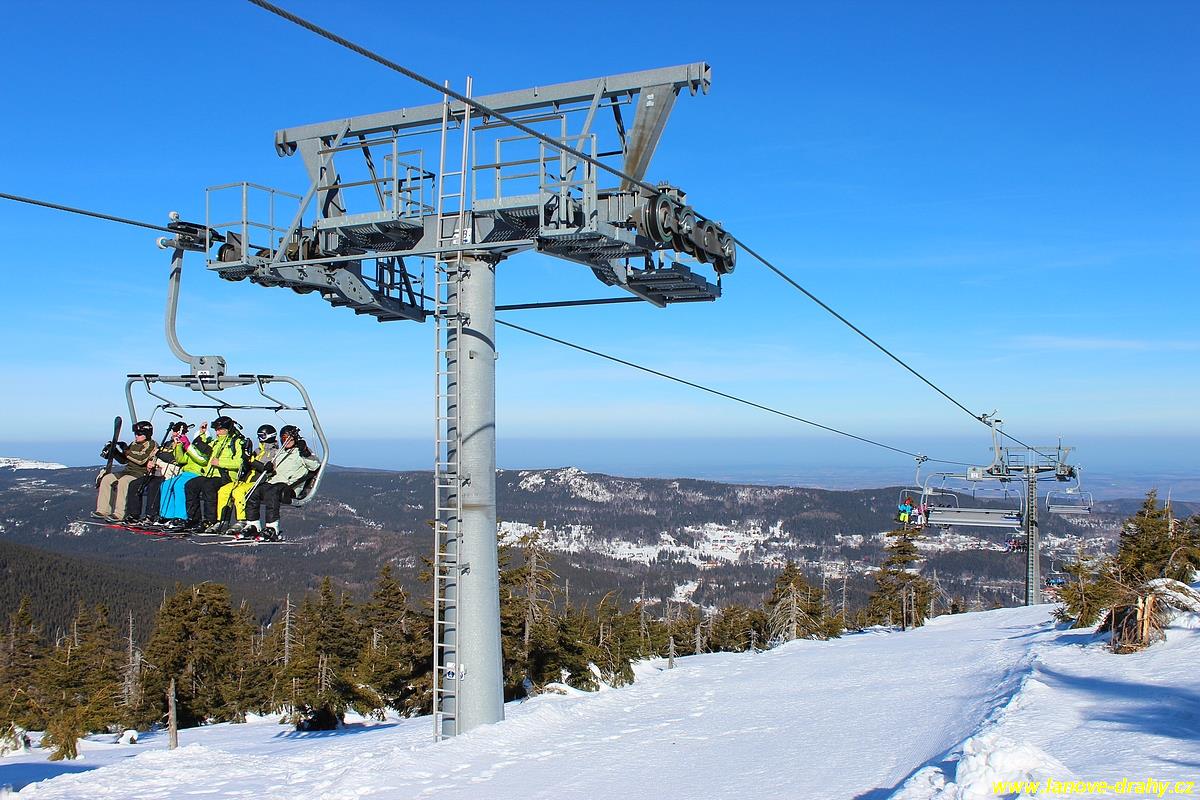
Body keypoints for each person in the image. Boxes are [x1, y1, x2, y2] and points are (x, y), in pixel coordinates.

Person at [239, 424, 319, 541]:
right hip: (273, 483)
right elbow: (273, 471)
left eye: (290, 438)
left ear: (295, 439)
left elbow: (314, 466)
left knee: (273, 492)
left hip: (289, 486)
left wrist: (305, 452)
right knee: (254, 492)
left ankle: (272, 528)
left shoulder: (300, 452)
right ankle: (253, 524)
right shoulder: (280, 453)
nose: (287, 441)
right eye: (284, 438)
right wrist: (269, 469)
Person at [170, 416, 245, 532]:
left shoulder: (236, 442)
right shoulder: (216, 442)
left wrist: (220, 463)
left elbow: (240, 463)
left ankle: (210, 520)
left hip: (226, 476)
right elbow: (202, 448)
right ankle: (194, 518)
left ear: (228, 429)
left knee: (208, 486)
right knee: (190, 485)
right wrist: (202, 433)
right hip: (211, 475)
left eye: (220, 430)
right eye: (216, 430)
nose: (217, 432)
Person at [212, 424, 280, 532]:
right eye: (259, 436)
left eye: (262, 436)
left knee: (238, 492)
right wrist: (245, 457)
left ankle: (242, 520)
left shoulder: (274, 453)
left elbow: (268, 469)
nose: (260, 439)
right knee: (224, 490)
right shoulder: (258, 451)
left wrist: (252, 460)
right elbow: (248, 464)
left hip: (258, 481)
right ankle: (222, 520)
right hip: (246, 479)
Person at [93, 421, 157, 522]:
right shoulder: (134, 444)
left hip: (140, 473)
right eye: (135, 433)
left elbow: (141, 459)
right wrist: (115, 452)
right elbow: (124, 460)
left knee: (124, 482)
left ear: (147, 434)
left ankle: (120, 514)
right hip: (128, 471)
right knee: (107, 479)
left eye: (139, 434)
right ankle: (103, 510)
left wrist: (126, 450)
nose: (136, 436)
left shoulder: (151, 445)